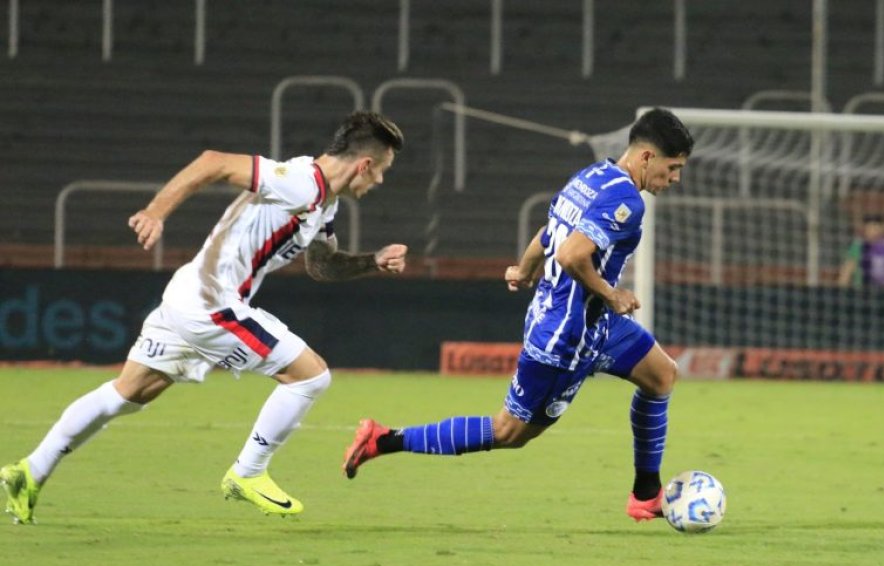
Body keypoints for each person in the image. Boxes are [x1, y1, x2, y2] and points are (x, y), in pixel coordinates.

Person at [1, 111, 407, 524]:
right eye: (382, 172)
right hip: (212, 305)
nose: (380, 182)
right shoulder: (300, 182)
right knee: (311, 376)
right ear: (365, 165)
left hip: (187, 296)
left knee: (128, 394)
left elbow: (322, 266)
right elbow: (213, 161)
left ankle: (29, 471)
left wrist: (373, 262)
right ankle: (247, 473)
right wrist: (156, 212)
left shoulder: (324, 204)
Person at [342, 108, 694, 523]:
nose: (674, 179)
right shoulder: (627, 201)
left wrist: (526, 270)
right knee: (509, 432)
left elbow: (549, 233)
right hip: (566, 335)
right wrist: (611, 293)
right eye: (672, 168)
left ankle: (646, 494)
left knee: (661, 375)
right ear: (648, 157)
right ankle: (384, 440)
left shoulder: (591, 177)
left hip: (595, 323)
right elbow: (569, 254)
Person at [838, 213, 884, 287]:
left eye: (876, 228)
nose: (873, 232)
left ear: (882, 229)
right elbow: (847, 270)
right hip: (862, 290)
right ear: (865, 229)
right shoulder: (858, 245)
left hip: (881, 290)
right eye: (870, 228)